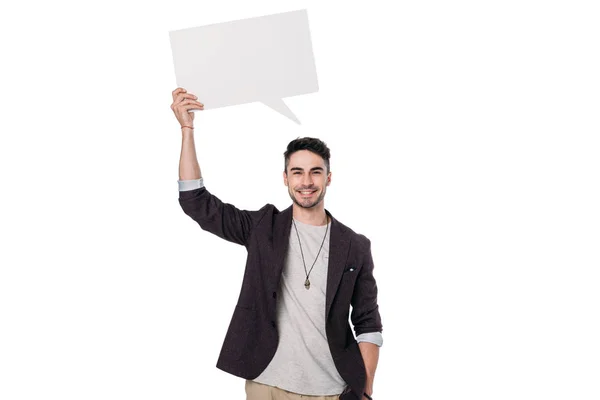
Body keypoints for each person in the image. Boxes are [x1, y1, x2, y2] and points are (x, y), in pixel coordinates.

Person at [171, 87, 383, 400]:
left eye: (315, 172)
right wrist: (187, 130)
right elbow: (196, 203)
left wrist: (364, 390)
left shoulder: (354, 245)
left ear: (329, 177)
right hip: (266, 386)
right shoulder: (263, 228)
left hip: (331, 391)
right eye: (297, 172)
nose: (307, 182)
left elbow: (367, 322)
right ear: (285, 178)